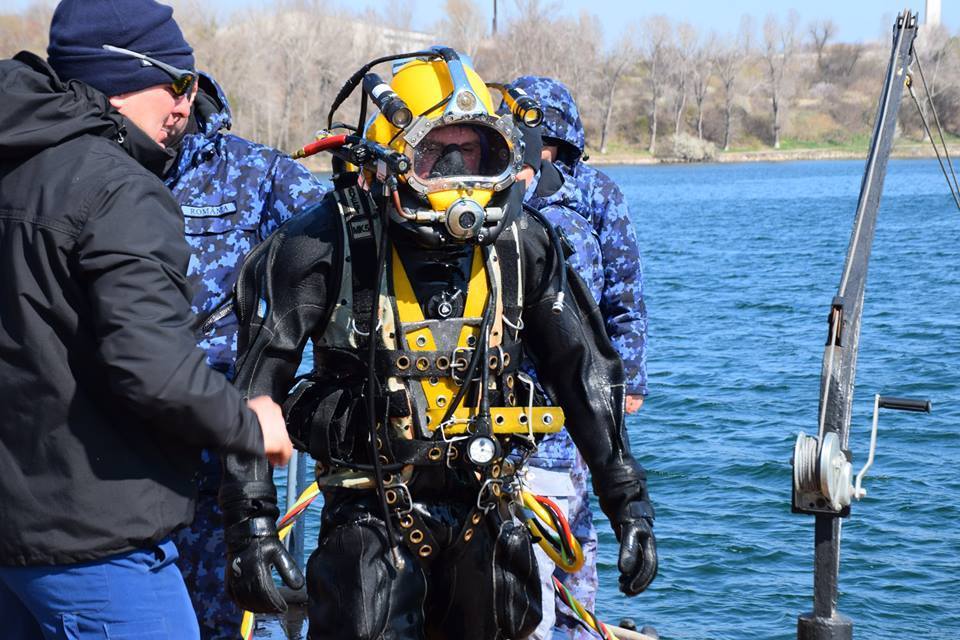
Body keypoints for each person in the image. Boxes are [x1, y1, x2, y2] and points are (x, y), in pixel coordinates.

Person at [217, 46, 657, 639]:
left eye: (470, 151)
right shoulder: (323, 246)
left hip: (489, 504)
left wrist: (627, 499)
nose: (456, 173)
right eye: (435, 152)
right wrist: (251, 528)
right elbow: (253, 388)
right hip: (370, 514)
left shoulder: (521, 244)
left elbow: (584, 372)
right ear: (390, 160)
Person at [0, 1, 294, 638]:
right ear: (123, 78)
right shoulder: (119, 189)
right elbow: (151, 367)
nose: (188, 104)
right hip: (94, 543)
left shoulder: (16, 161)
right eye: (179, 82)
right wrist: (250, 423)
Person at [161, 69, 327, 639]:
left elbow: (339, 253)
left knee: (220, 618)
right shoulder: (90, 165)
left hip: (217, 457)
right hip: (109, 456)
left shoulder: (258, 174)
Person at [507, 75, 650, 640]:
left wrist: (628, 381)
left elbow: (625, 297)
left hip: (580, 402)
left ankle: (575, 623)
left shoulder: (596, 196)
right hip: (511, 408)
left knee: (572, 532)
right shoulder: (493, 195)